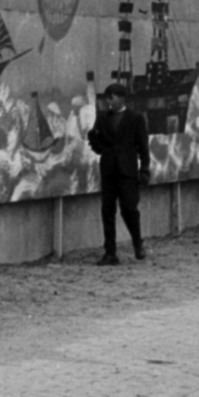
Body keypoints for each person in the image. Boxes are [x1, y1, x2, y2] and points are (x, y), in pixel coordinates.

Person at [86, 82, 150, 265]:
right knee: (107, 211)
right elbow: (97, 144)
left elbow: (144, 147)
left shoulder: (136, 118)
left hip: (128, 171)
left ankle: (138, 243)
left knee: (129, 209)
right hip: (108, 170)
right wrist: (96, 144)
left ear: (121, 98)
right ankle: (110, 253)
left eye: (111, 98)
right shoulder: (102, 118)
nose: (108, 102)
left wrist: (144, 169)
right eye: (107, 98)